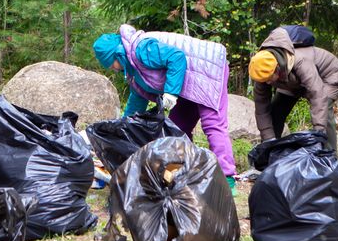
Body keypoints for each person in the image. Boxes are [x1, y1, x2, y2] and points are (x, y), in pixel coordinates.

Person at [93, 24, 238, 192]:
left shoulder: (141, 49)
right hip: (186, 79)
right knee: (176, 127)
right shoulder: (132, 68)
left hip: (207, 69)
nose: (112, 68)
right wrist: (121, 129)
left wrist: (170, 92)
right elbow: (136, 100)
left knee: (212, 123)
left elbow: (176, 57)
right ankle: (184, 170)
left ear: (116, 55)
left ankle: (227, 178)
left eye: (111, 64)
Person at [249, 26, 338, 149]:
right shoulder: (262, 71)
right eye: (263, 81)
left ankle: (329, 158)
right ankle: (272, 154)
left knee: (325, 112)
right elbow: (262, 108)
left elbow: (317, 95)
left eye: (268, 80)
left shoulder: (300, 61)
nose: (266, 83)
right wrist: (268, 141)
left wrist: (318, 135)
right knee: (276, 111)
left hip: (327, 75)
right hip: (293, 80)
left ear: (277, 69)